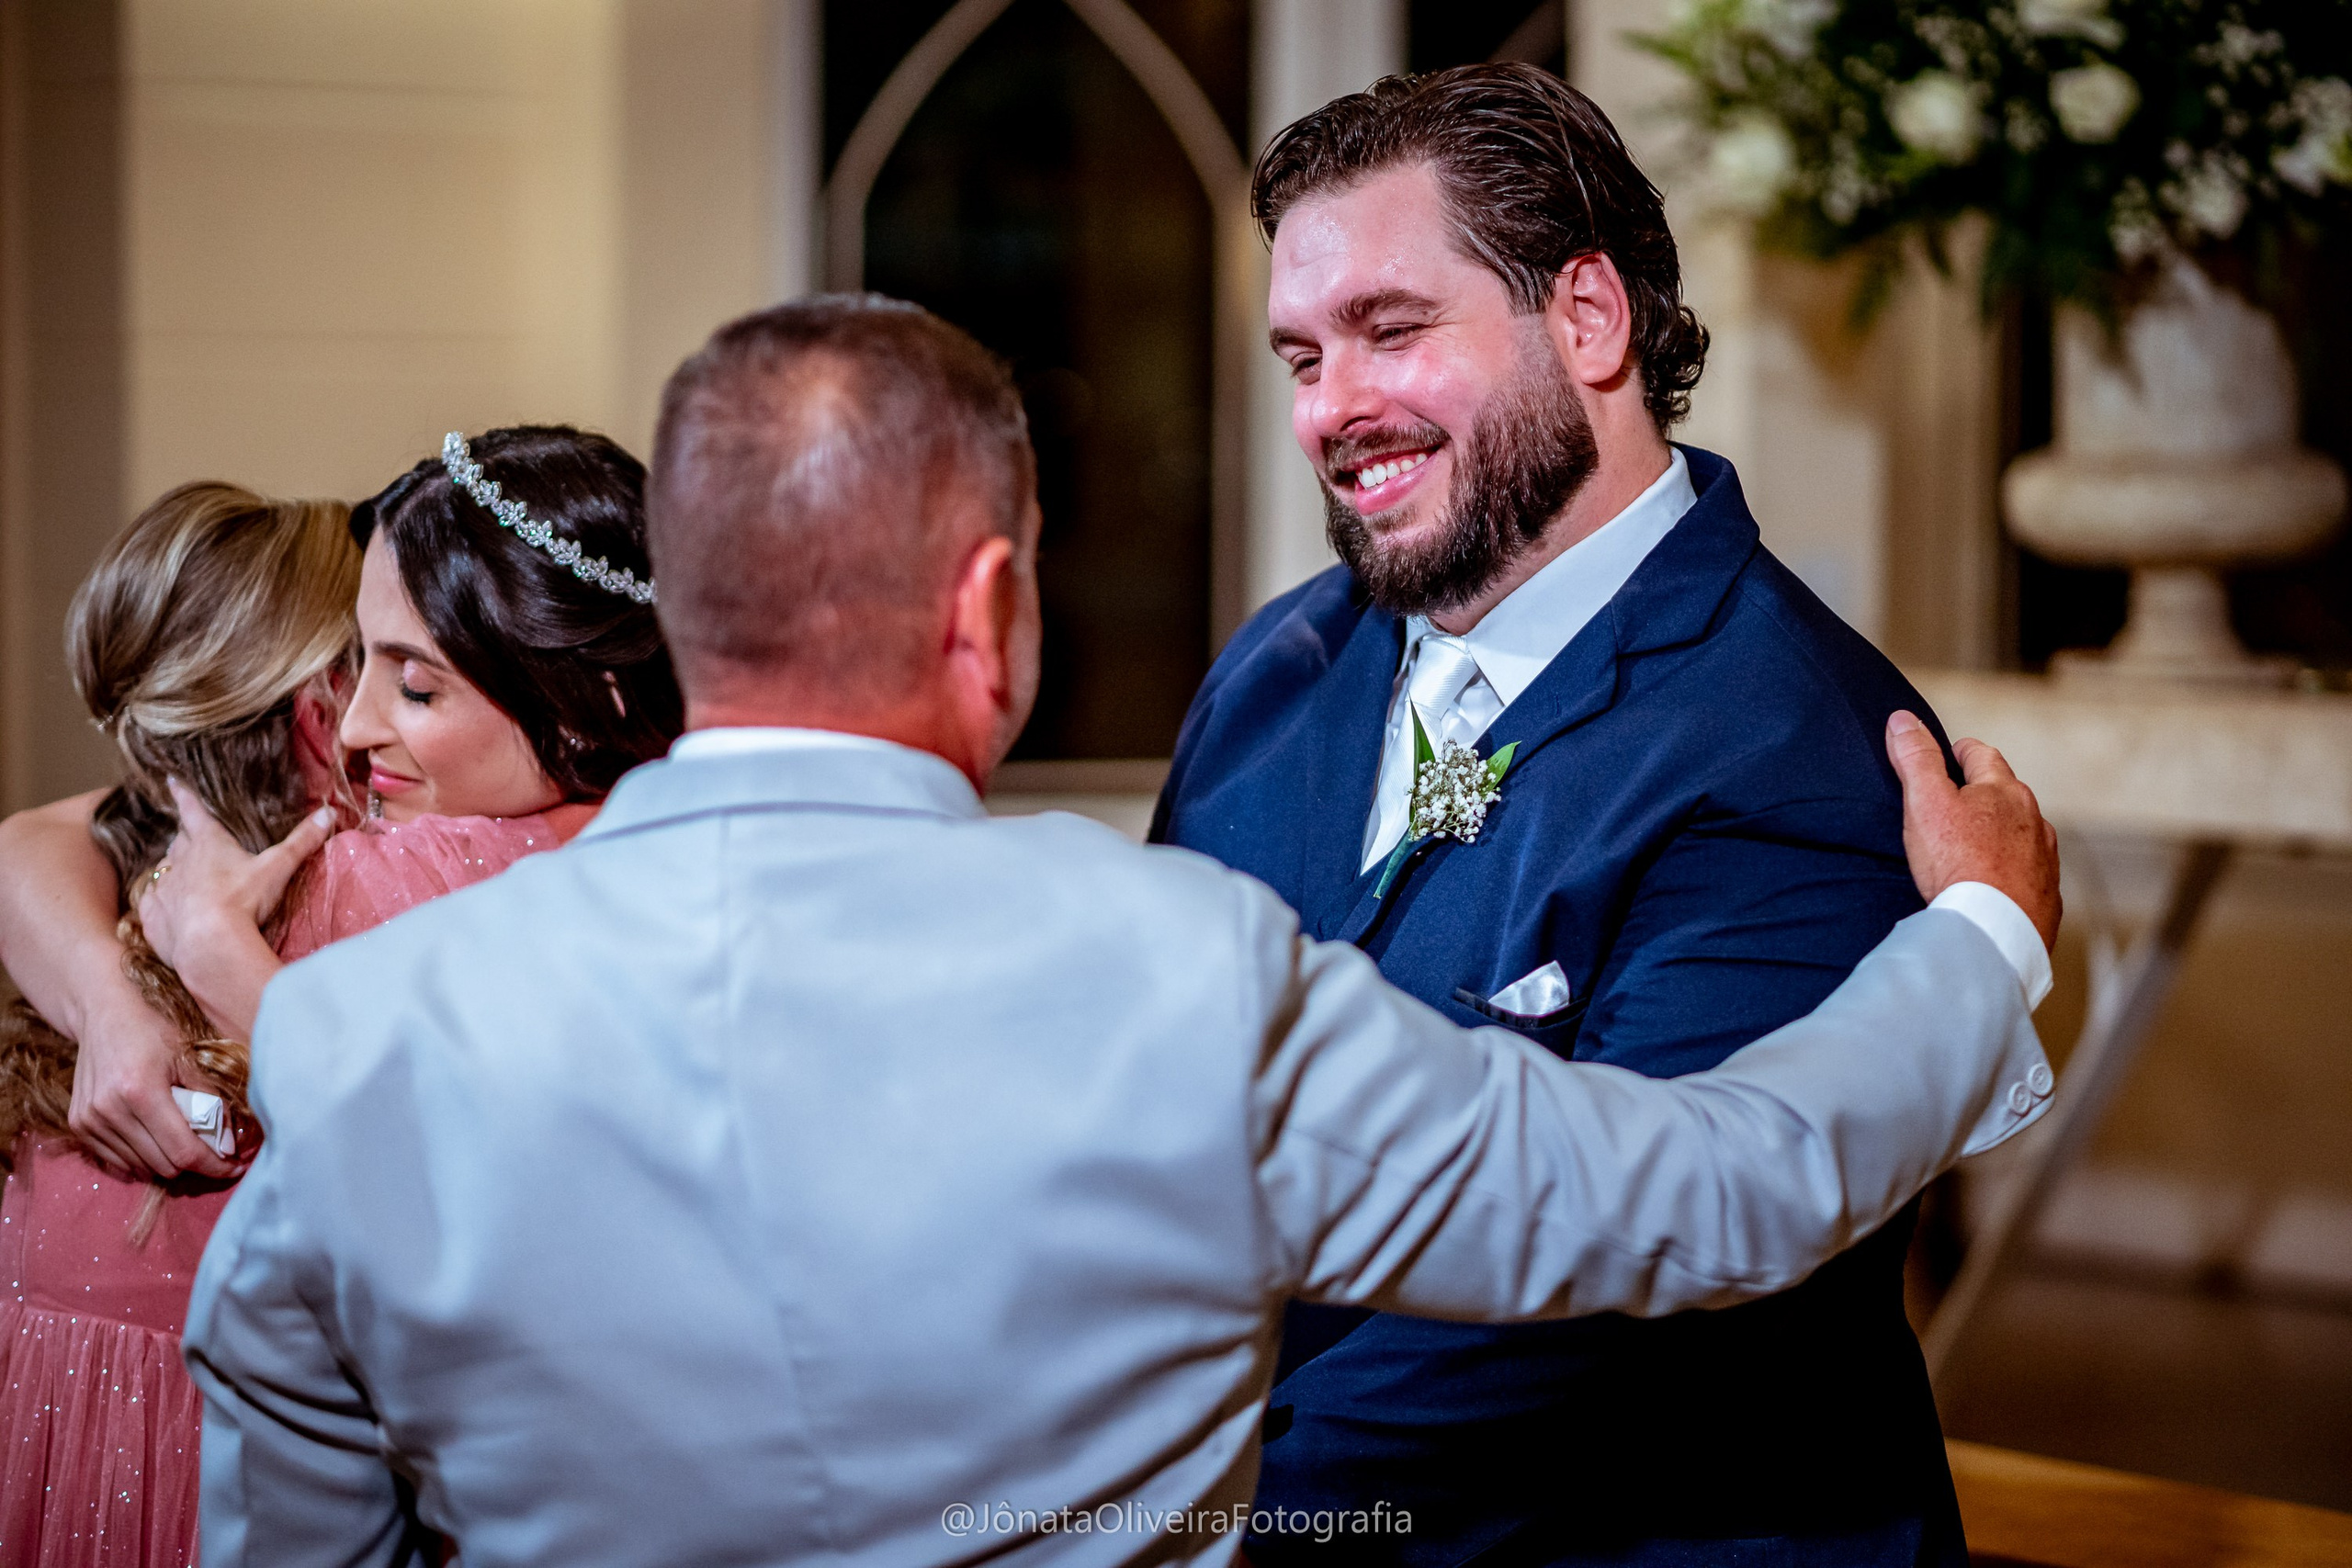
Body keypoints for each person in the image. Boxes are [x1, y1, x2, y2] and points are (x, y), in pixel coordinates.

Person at [182, 295, 2059, 1568]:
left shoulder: (353, 1037)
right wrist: (1978, 939)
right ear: (990, 611)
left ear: (686, 617)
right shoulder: (1182, 977)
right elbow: (1713, 1191)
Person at [1148, 64, 2015, 1566]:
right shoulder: (1277, 669)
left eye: (1392, 330)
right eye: (1302, 356)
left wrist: (1157, 1517)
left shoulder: (1804, 746)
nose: (1331, 408)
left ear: (1592, 318)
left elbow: (1588, 1333)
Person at [0, 427, 679, 1567]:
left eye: (410, 680)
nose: (361, 725)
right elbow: (34, 837)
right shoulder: (263, 875)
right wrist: (111, 996)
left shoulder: (370, 883)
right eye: (356, 668)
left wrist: (208, 961)